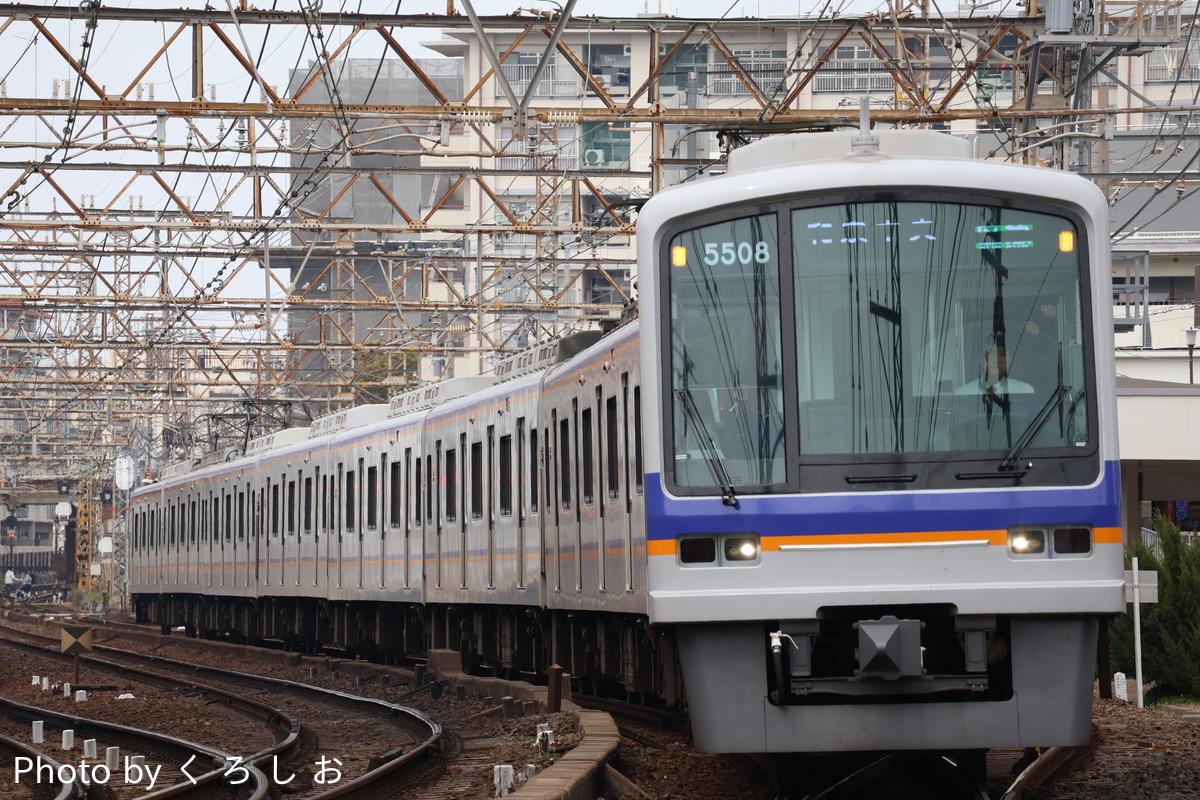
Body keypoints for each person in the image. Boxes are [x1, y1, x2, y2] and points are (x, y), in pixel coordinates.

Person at [954, 342, 1034, 396]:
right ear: (980, 358)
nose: (997, 360)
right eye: (991, 353)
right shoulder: (963, 393)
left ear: (1010, 360)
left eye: (1002, 354)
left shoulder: (1023, 390)